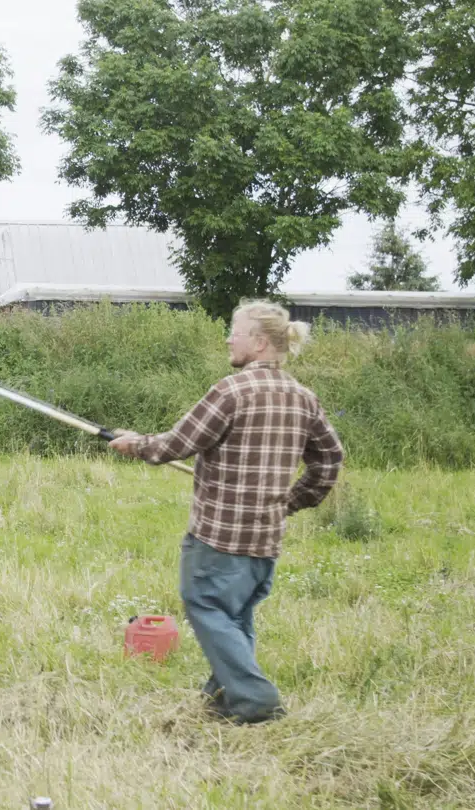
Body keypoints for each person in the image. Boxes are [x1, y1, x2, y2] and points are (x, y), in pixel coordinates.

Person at [108, 299, 344, 724]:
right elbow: (330, 460)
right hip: (265, 541)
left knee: (204, 605)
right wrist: (290, 502)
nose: (228, 340)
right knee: (234, 618)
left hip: (219, 539)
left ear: (258, 342)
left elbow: (176, 444)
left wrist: (135, 445)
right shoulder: (303, 399)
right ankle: (222, 700)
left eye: (234, 332)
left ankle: (255, 700)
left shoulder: (232, 392)